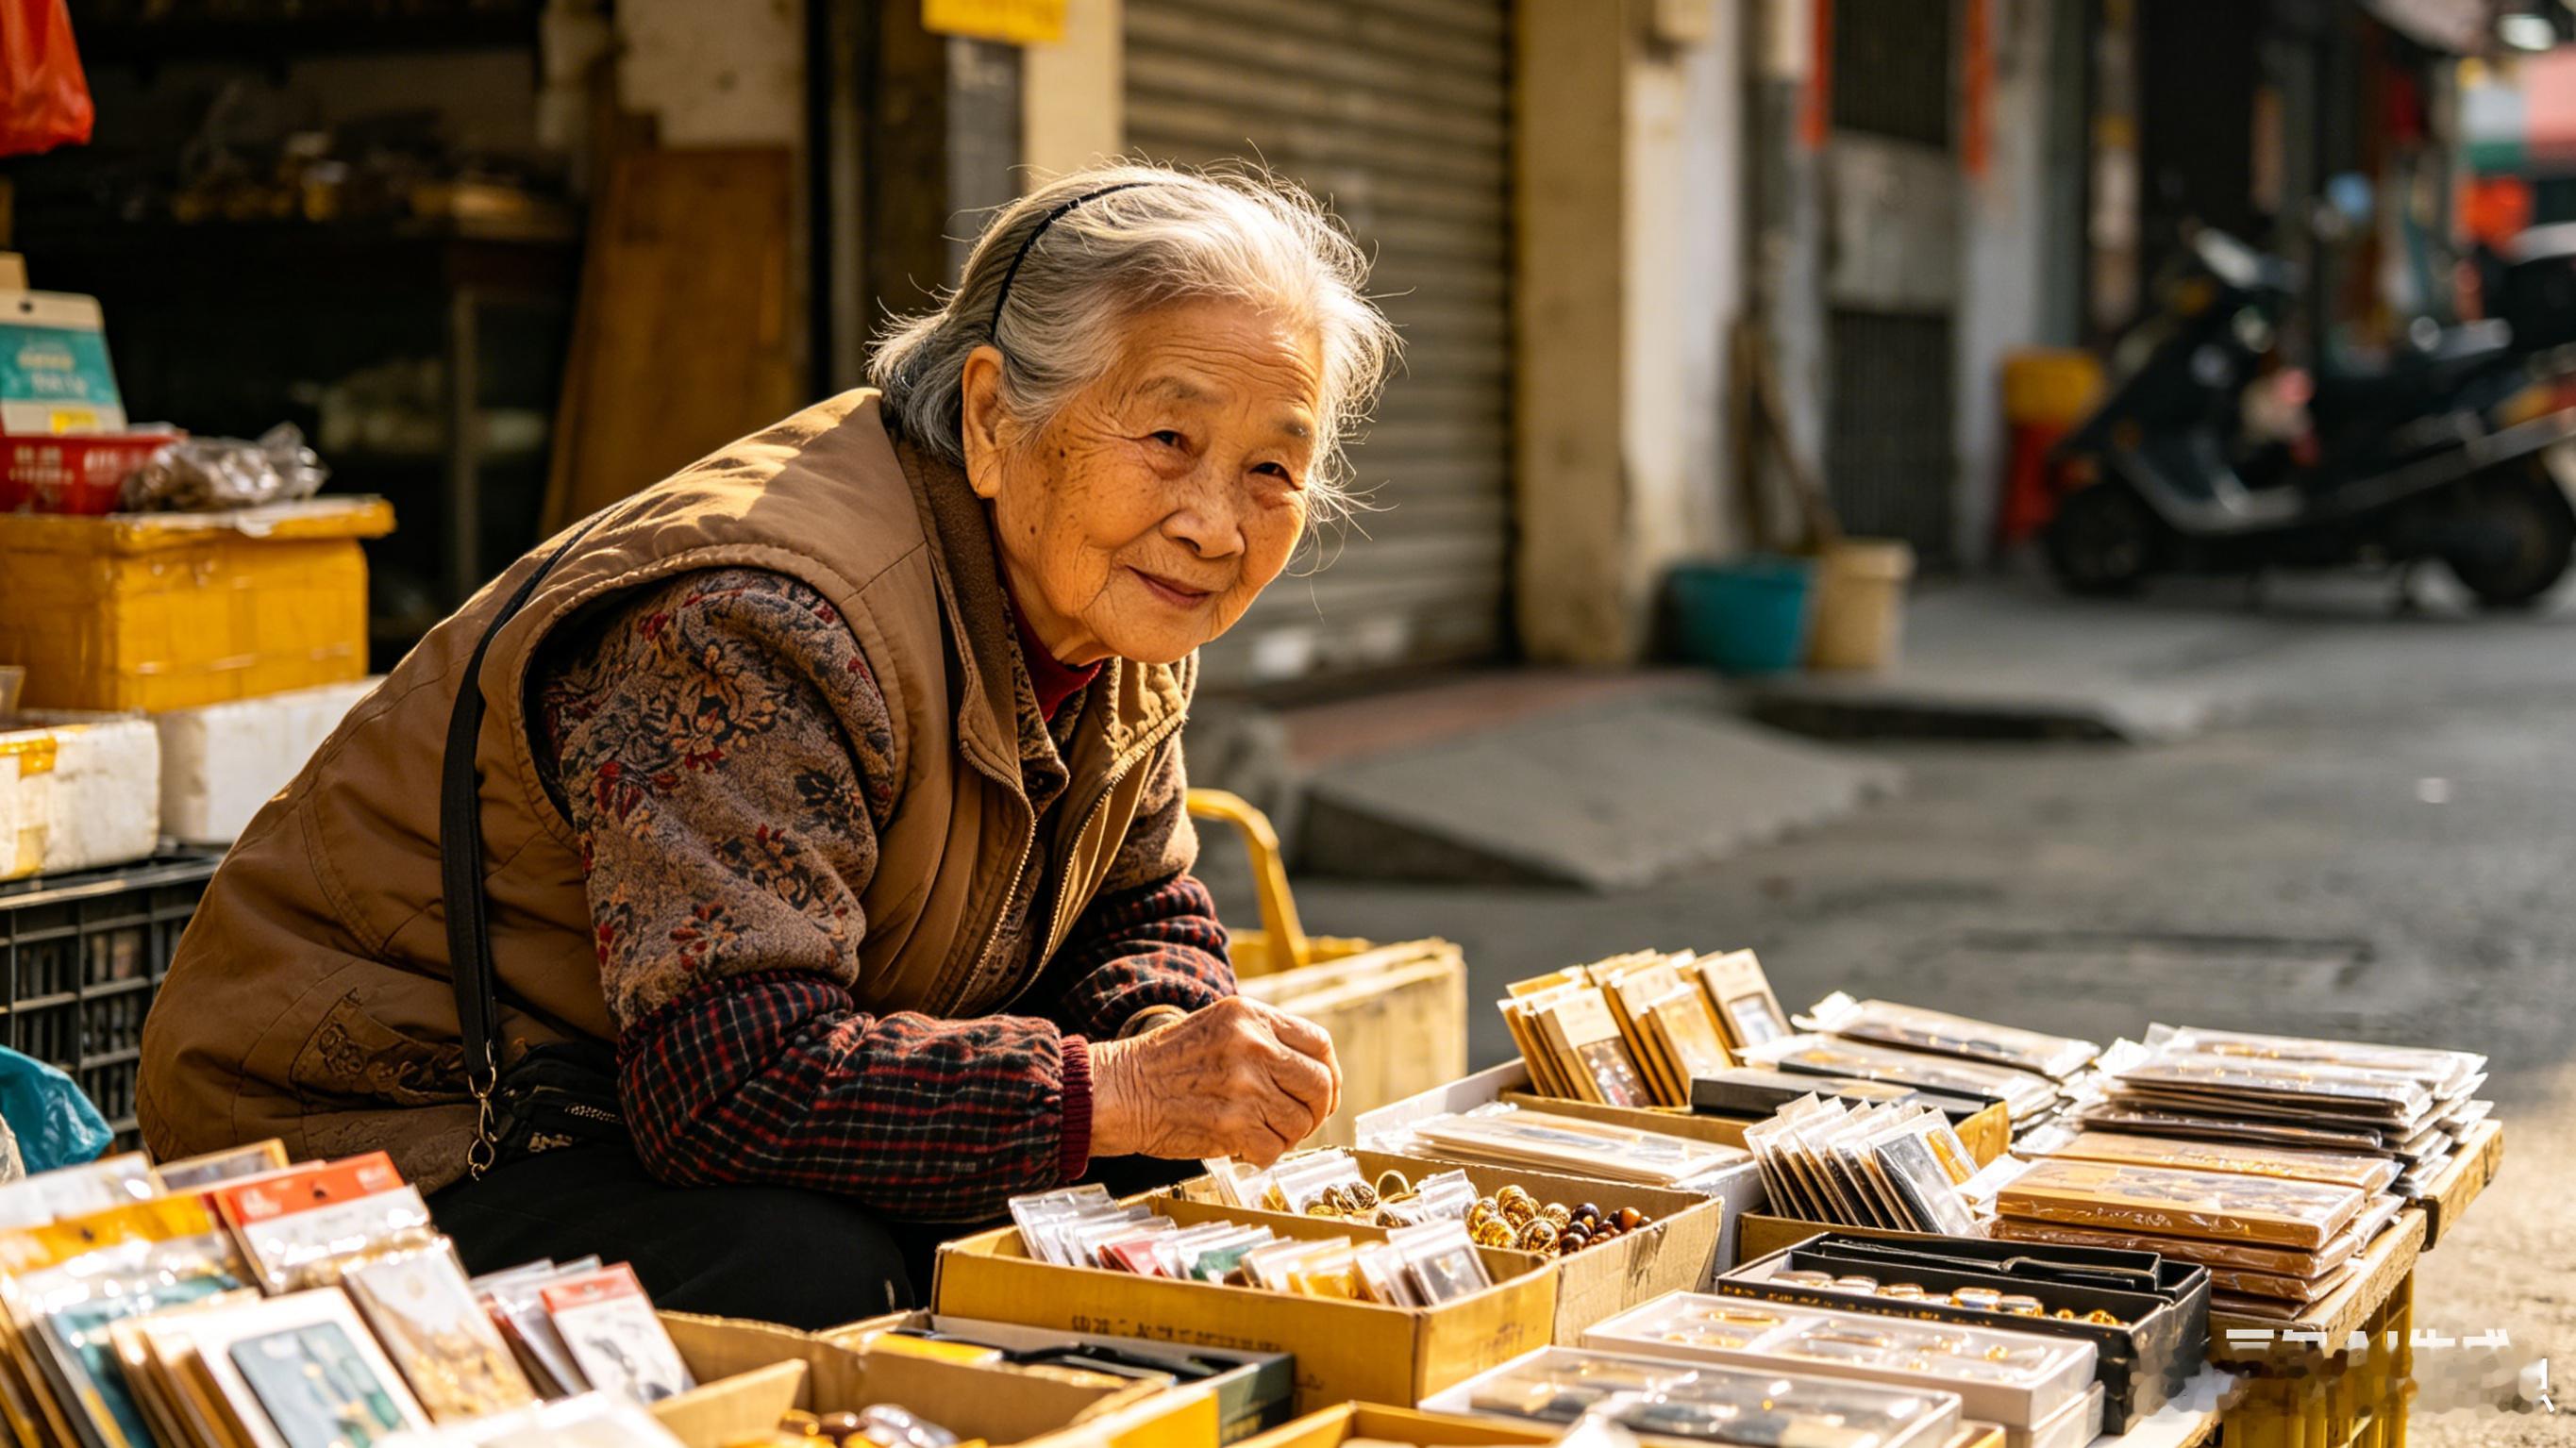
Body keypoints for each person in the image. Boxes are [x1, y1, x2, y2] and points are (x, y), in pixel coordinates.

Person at [137, 162, 1398, 1324]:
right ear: (990, 416)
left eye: (1272, 471)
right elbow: (730, 1085)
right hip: (386, 1134)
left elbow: (1133, 900)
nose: (1215, 525)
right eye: (1167, 441)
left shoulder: (1112, 601)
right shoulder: (760, 620)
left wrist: (1171, 1048)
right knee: (813, 1270)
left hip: (624, 1101)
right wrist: (1116, 1090)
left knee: (1127, 1191)